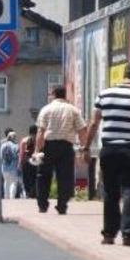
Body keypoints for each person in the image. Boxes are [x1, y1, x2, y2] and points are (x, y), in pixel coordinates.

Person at [82, 63, 130, 246]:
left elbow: (94, 123)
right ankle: (129, 235)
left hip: (109, 149)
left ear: (125, 75)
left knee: (110, 192)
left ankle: (109, 234)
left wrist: (86, 148)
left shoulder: (104, 95)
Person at [33, 85, 88, 214]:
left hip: (48, 146)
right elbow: (82, 130)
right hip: (66, 146)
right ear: (65, 95)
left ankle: (42, 205)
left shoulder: (46, 110)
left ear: (53, 94)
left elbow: (40, 132)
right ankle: (62, 205)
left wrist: (37, 150)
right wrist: (83, 147)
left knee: (43, 176)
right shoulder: (73, 110)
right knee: (65, 177)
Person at [18, 125, 38, 199]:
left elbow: (21, 153)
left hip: (26, 162)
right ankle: (33, 193)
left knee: (26, 178)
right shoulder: (38, 140)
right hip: (35, 161)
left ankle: (28, 193)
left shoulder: (24, 140)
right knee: (35, 178)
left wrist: (19, 164)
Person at [0, 129, 20, 200]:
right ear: (13, 138)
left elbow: (1, 157)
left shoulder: (2, 145)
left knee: (6, 182)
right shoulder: (16, 146)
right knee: (14, 182)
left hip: (4, 167)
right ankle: (12, 198)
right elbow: (18, 156)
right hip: (13, 167)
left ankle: (6, 197)